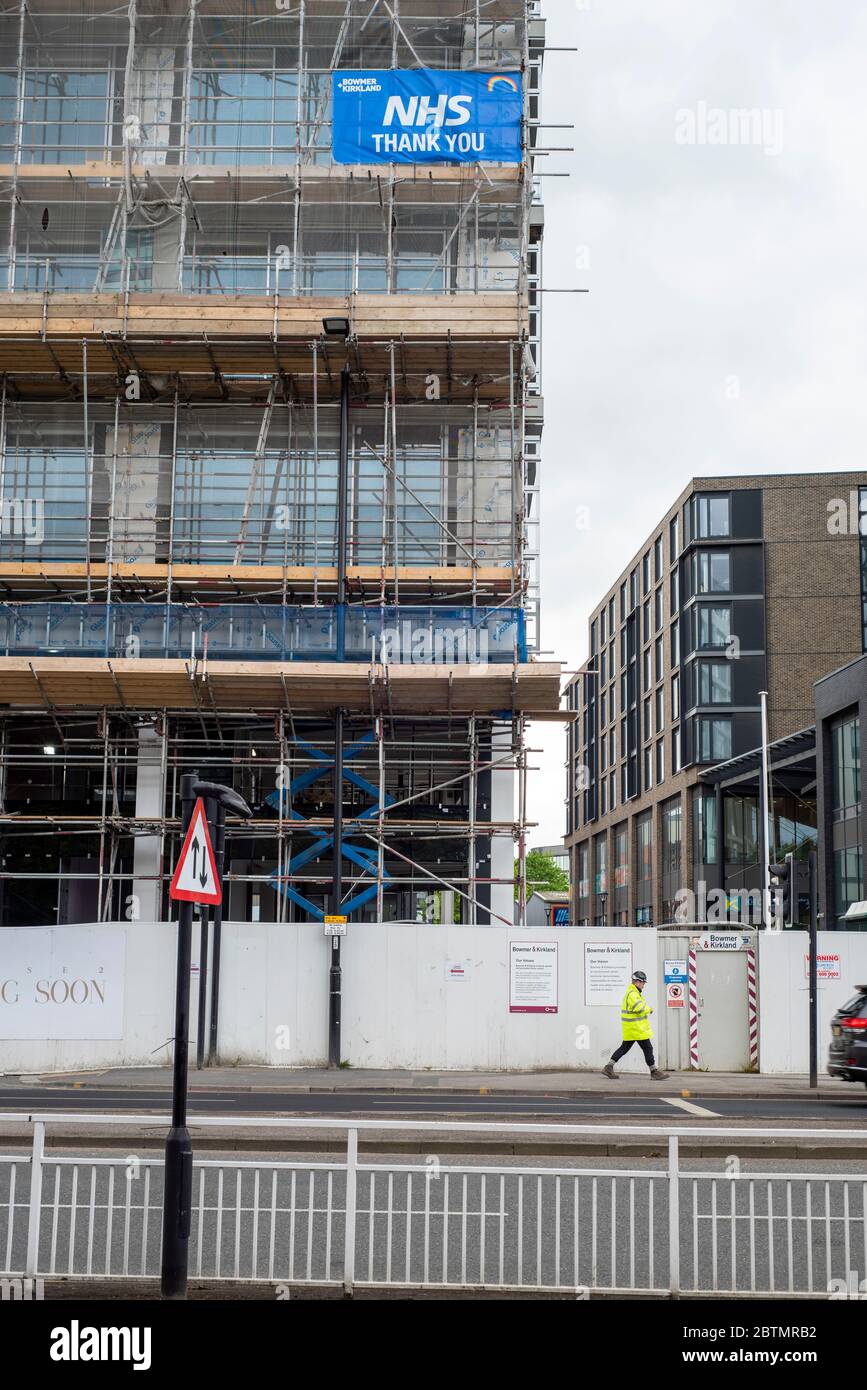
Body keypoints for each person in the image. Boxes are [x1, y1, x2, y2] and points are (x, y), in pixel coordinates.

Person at [602, 970, 668, 1080]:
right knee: (648, 1048)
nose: (644, 985)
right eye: (643, 983)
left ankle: (608, 1067)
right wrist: (649, 1009)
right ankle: (654, 1071)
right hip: (636, 1028)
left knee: (624, 1048)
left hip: (632, 1028)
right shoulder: (633, 994)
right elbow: (639, 1008)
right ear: (637, 982)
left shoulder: (634, 993)